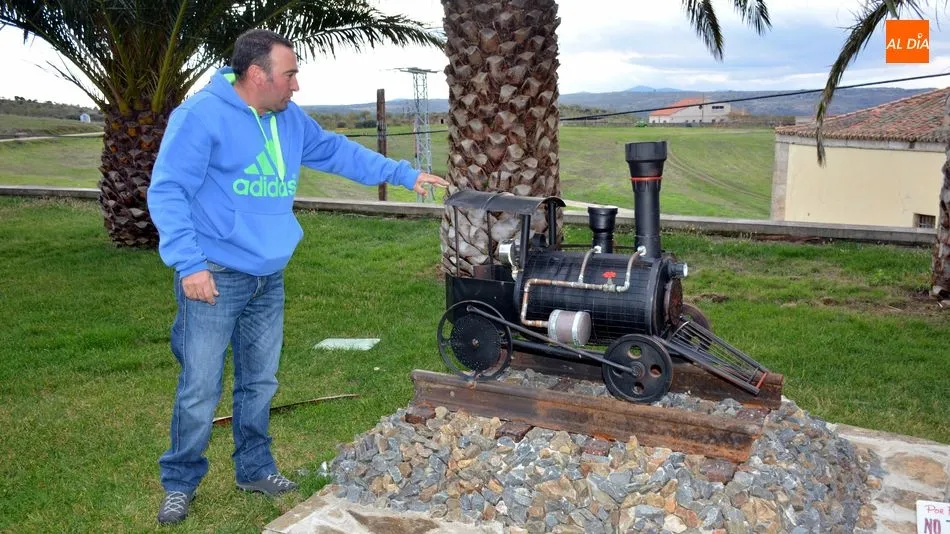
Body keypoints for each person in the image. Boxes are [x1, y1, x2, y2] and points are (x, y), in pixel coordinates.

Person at [147, 28, 448, 525]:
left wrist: (404, 174)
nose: (296, 85)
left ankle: (254, 469)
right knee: (200, 388)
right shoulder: (200, 116)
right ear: (256, 74)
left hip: (268, 275)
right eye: (289, 75)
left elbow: (337, 152)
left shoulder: (288, 118)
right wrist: (189, 263)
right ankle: (180, 482)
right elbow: (168, 190)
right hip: (215, 274)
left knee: (259, 382)